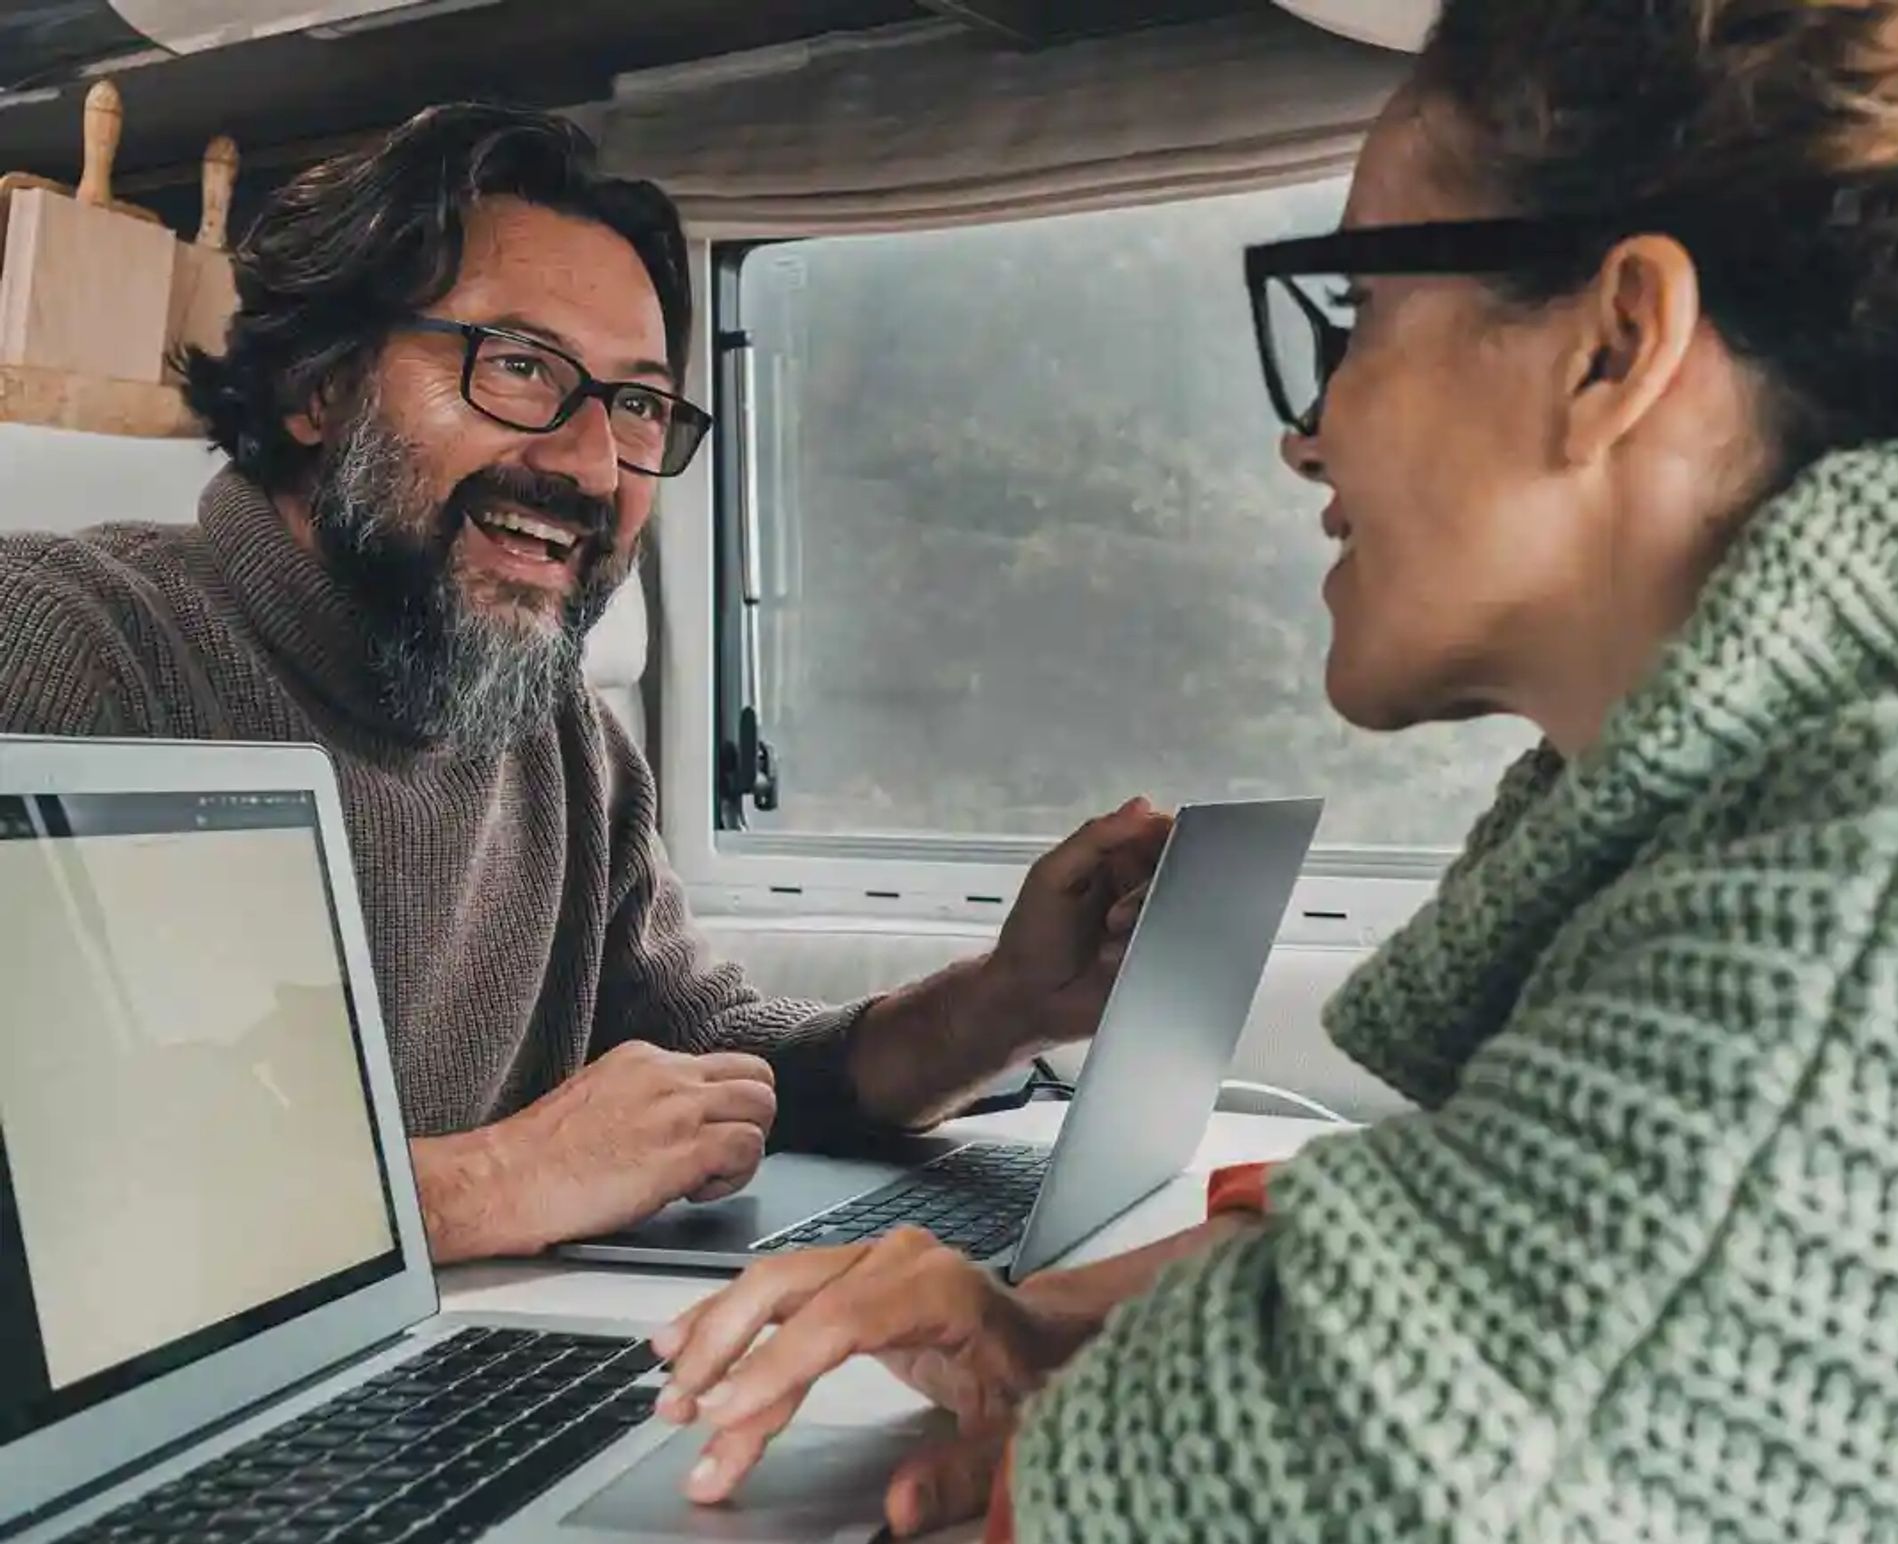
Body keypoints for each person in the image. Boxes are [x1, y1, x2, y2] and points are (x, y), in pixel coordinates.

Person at [654, 2, 1898, 1544]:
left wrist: (1052, 1378)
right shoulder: (1751, 834)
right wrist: (1048, 1340)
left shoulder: (1851, 898)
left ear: (1614, 344)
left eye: (1356, 321)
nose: (1304, 423)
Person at [0, 105, 1168, 1267]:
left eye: (640, 405)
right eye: (517, 367)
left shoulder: (554, 727)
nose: (592, 465)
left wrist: (1007, 1004)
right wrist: (507, 1178)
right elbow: (63, 1218)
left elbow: (717, 1052)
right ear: (319, 384)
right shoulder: (69, 644)